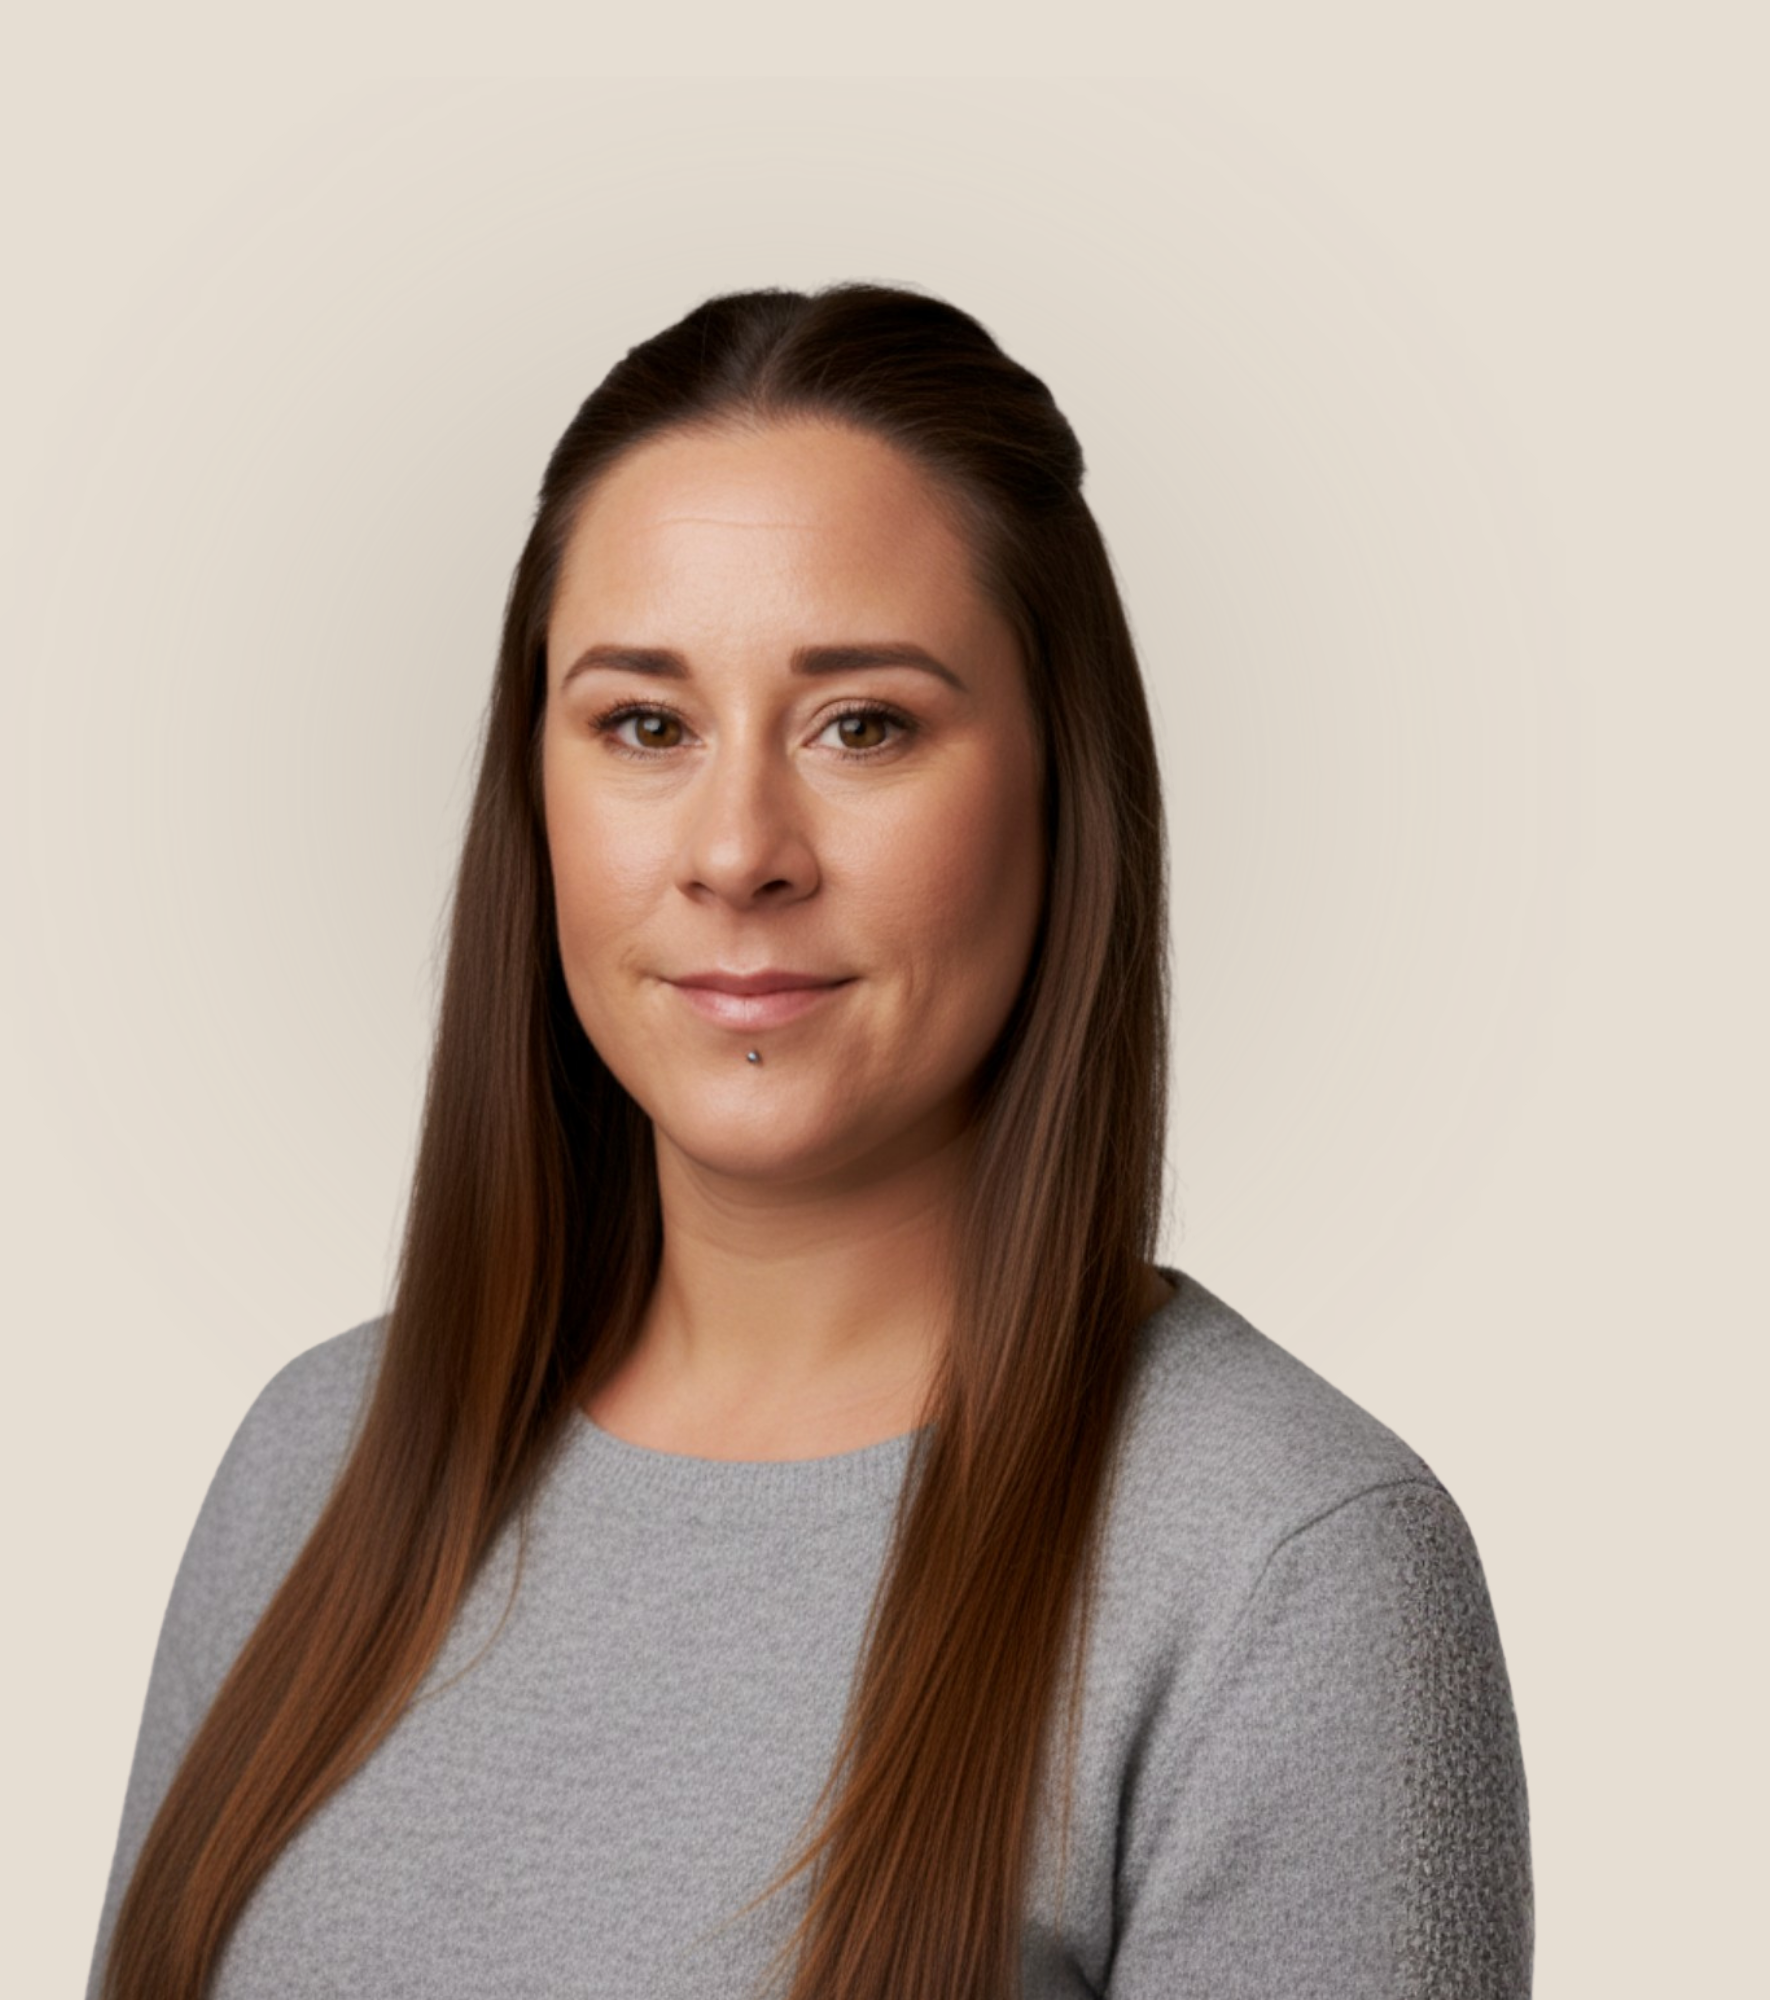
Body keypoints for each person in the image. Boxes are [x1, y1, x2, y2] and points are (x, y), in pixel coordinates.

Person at [86, 282, 1533, 1999]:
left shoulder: (1289, 1573)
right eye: (645, 724)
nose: (739, 849)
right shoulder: (312, 1464)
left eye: (865, 725)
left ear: (1061, 788)